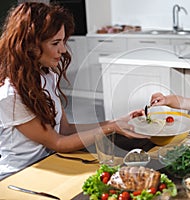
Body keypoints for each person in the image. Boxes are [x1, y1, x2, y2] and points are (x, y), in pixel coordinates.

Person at [0, 2, 151, 180]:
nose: (63, 50)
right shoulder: (12, 95)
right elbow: (58, 142)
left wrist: (117, 121)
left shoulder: (46, 75)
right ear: (29, 45)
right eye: (55, 43)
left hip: (48, 163)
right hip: (19, 175)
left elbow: (65, 129)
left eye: (63, 41)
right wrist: (111, 127)